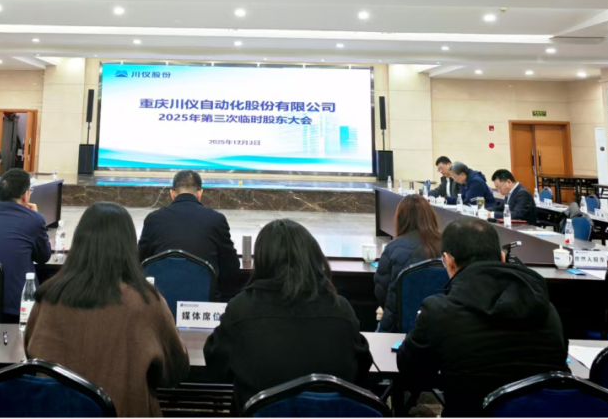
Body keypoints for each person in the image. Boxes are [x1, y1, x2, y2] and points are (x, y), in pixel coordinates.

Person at [24, 202, 189, 419]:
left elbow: (30, 353)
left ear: (79, 242)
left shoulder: (49, 296)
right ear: (129, 246)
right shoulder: (146, 301)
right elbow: (175, 370)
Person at [395, 218, 568, 417]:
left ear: (449, 262)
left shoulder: (439, 312)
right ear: (502, 257)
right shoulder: (546, 310)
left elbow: (411, 371)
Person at [204, 219, 372, 410]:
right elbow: (361, 370)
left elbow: (216, 365)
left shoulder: (240, 310)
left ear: (262, 260)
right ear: (313, 257)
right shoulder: (341, 310)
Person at [138, 170, 239, 298]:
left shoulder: (153, 219)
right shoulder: (216, 219)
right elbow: (232, 267)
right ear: (199, 193)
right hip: (205, 302)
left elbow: (139, 262)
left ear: (172, 194)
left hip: (162, 301)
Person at [0, 169, 51, 321]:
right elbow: (43, 257)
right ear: (25, 195)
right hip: (17, 304)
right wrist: (36, 216)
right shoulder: (34, 219)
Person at [374, 196, 443, 330]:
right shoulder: (446, 244)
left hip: (398, 325)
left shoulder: (393, 247)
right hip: (440, 325)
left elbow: (381, 292)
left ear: (400, 219)